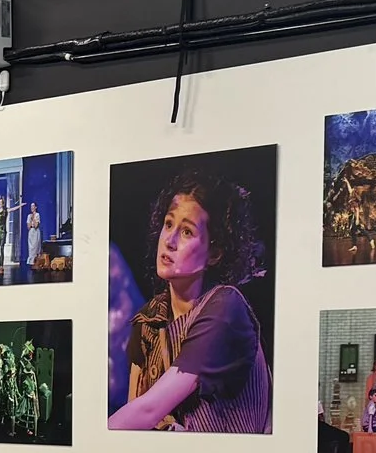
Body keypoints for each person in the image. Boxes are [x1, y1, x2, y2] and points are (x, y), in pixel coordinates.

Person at [113, 170, 272, 434]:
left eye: (186, 231)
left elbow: (149, 409)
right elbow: (135, 411)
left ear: (214, 253)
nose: (170, 241)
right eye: (168, 224)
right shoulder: (149, 320)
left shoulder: (226, 308)